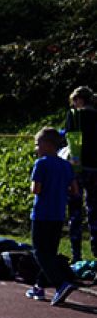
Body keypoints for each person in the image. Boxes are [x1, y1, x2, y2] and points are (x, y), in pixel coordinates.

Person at [29, 128, 79, 306]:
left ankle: (60, 283)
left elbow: (36, 189)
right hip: (58, 214)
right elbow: (75, 190)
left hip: (42, 213)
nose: (36, 148)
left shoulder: (41, 164)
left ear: (47, 144)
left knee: (39, 252)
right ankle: (39, 286)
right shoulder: (66, 165)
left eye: (37, 144)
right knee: (49, 251)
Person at [65, 86, 97, 261]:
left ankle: (76, 254)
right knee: (94, 210)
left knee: (75, 212)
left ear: (79, 100)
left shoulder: (75, 116)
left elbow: (68, 136)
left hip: (77, 167)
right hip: (95, 169)